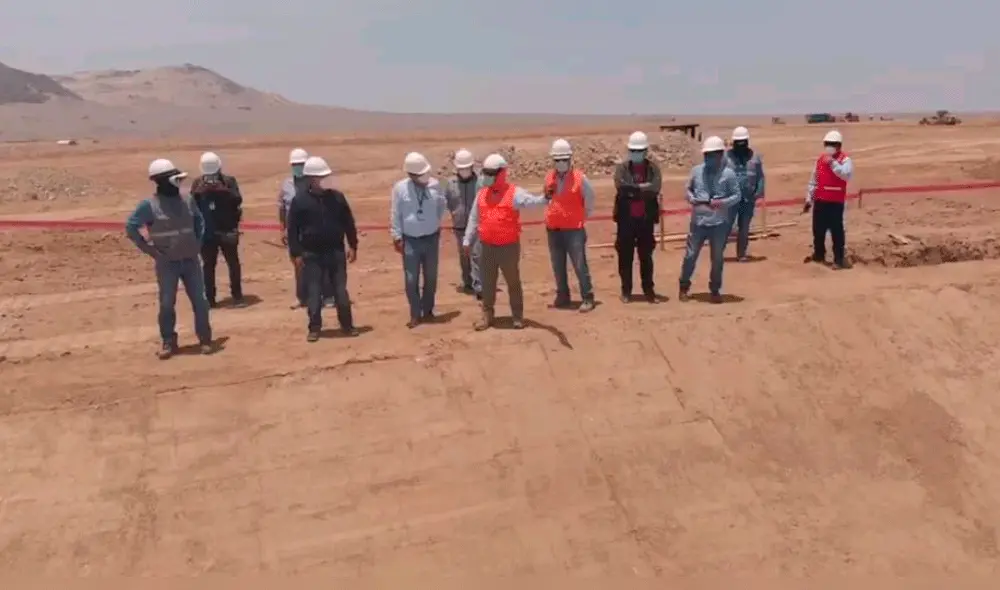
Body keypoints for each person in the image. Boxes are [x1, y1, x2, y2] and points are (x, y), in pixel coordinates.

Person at [125, 158, 213, 359]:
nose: (179, 184)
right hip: (167, 264)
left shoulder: (188, 200)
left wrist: (197, 244)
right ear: (163, 181)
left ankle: (205, 339)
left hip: (190, 261)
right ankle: (168, 341)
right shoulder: (148, 206)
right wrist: (150, 250)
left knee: (200, 301)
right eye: (175, 180)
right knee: (166, 303)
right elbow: (131, 227)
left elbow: (199, 221)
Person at [462, 153, 551, 330]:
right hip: (486, 247)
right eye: (485, 173)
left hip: (508, 247)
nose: (487, 177)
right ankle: (487, 316)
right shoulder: (481, 195)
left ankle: (517, 316)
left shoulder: (514, 193)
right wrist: (467, 240)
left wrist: (546, 198)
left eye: (491, 173)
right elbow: (474, 218)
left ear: (502, 173)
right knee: (487, 283)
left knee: (513, 282)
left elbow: (532, 202)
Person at [286, 156, 359, 341]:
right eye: (320, 176)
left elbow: (348, 222)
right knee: (314, 291)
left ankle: (347, 325)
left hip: (336, 251)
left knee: (340, 291)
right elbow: (292, 229)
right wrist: (296, 254)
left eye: (326, 175)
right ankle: (315, 328)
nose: (324, 179)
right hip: (311, 254)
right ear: (311, 178)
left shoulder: (337, 198)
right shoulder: (299, 201)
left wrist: (353, 245)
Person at [678, 136, 741, 303]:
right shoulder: (696, 171)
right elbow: (688, 190)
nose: (709, 158)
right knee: (690, 256)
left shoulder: (729, 174)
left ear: (721, 155)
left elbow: (737, 196)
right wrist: (691, 198)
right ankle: (684, 286)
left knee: (717, 258)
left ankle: (715, 290)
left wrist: (722, 203)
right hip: (698, 223)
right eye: (706, 155)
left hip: (719, 224)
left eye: (712, 155)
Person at [390, 152, 447, 328]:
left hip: (431, 238)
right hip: (410, 241)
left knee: (431, 277)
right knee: (411, 278)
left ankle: (428, 310)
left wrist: (434, 224)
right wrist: (397, 236)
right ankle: (415, 314)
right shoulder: (400, 189)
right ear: (411, 175)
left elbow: (441, 206)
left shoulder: (435, 186)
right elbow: (395, 213)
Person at [543, 138, 596, 312]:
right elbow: (547, 198)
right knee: (558, 265)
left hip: (574, 230)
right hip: (554, 229)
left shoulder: (580, 178)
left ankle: (587, 297)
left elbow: (590, 198)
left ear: (570, 159)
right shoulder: (549, 177)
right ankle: (563, 295)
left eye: (564, 159)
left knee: (580, 264)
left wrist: (582, 216)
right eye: (557, 160)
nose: (561, 163)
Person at [612, 131, 663, 302]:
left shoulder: (653, 169)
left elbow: (655, 188)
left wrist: (633, 190)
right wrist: (642, 189)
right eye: (633, 150)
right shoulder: (622, 168)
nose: (636, 153)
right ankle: (626, 290)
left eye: (639, 150)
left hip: (645, 221)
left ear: (645, 151)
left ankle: (649, 290)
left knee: (646, 258)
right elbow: (621, 187)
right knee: (625, 257)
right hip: (626, 221)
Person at [190, 151, 245, 307]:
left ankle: (237, 295)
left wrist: (223, 191)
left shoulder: (229, 181)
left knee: (233, 263)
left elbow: (237, 200)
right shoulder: (197, 184)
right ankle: (210, 298)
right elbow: (192, 206)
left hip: (227, 229)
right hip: (207, 232)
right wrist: (200, 192)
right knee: (208, 266)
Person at [804, 130, 854, 269]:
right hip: (820, 201)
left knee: (837, 232)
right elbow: (814, 180)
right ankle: (819, 254)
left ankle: (839, 259)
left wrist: (833, 164)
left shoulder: (845, 160)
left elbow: (846, 175)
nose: (829, 147)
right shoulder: (820, 160)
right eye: (827, 144)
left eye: (832, 144)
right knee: (818, 230)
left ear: (839, 146)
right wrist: (809, 199)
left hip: (836, 202)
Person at [443, 148, 481, 297]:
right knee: (464, 256)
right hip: (459, 227)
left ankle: (479, 284)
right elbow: (447, 202)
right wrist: (454, 213)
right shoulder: (451, 184)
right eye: (461, 168)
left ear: (472, 167)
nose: (464, 171)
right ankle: (467, 282)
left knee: (477, 255)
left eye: (467, 168)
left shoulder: (480, 182)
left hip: (477, 226)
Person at [725, 126, 766, 261]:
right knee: (726, 225)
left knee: (744, 227)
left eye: (743, 142)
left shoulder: (755, 158)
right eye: (738, 142)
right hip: (730, 199)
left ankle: (741, 254)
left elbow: (760, 176)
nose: (741, 145)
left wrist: (758, 192)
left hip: (748, 199)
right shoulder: (726, 158)